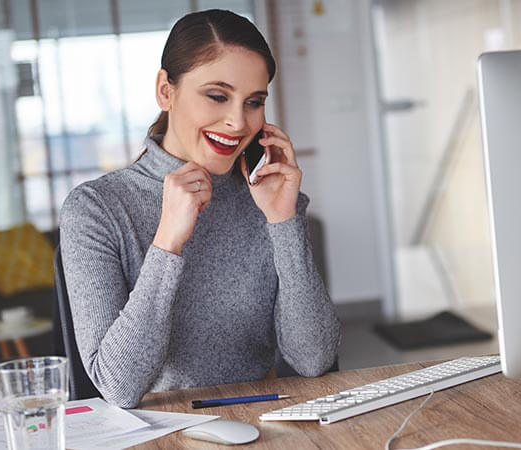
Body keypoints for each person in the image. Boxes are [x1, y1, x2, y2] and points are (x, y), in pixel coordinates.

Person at [59, 9, 341, 408]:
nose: (237, 122)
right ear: (165, 90)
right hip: (158, 432)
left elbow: (314, 359)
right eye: (217, 96)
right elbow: (118, 387)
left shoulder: (269, 198)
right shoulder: (96, 209)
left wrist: (283, 221)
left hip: (261, 421)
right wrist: (167, 242)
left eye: (254, 102)